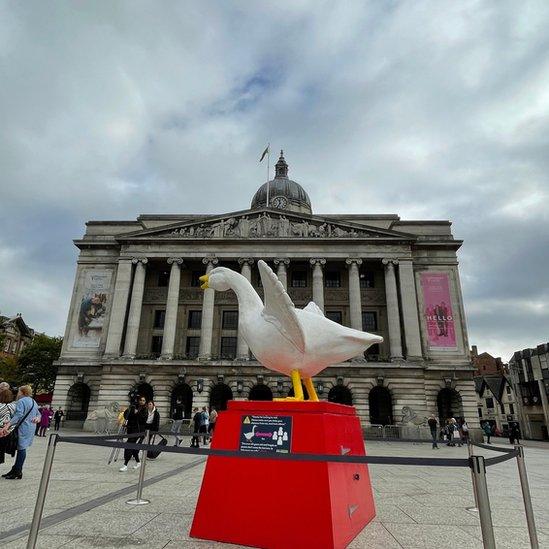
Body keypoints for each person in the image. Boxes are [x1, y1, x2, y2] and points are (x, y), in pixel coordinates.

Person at [0, 385, 41, 479]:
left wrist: (8, 425)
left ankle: (17, 471)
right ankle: (15, 469)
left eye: (19, 391)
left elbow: (18, 414)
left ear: (22, 392)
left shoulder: (22, 401)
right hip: (30, 428)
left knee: (21, 448)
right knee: (22, 448)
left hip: (23, 427)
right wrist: (38, 418)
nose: (18, 393)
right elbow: (38, 414)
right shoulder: (33, 401)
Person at [119, 395, 148, 472]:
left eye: (143, 400)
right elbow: (128, 417)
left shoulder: (145, 409)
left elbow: (143, 420)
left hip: (139, 431)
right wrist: (129, 411)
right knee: (134, 448)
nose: (142, 401)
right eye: (141, 400)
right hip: (131, 430)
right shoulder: (133, 407)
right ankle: (138, 462)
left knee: (129, 446)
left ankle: (125, 465)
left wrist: (137, 413)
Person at [0, 388, 17, 472]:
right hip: (7, 433)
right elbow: (15, 420)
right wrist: (9, 430)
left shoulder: (0, 405)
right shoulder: (14, 406)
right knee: (1, 450)